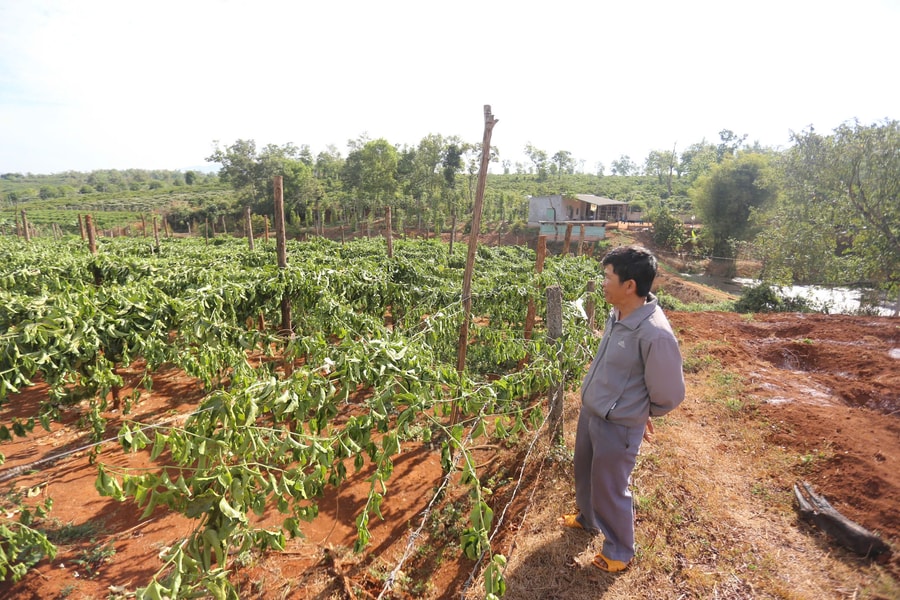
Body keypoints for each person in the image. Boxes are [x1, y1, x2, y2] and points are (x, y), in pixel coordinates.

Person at [559, 245, 685, 573]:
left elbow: (669, 392)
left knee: (611, 487)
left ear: (629, 285)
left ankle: (619, 550)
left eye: (607, 277)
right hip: (594, 413)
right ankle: (588, 519)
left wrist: (640, 412)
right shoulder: (618, 314)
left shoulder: (654, 333)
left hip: (618, 423)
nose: (602, 282)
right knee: (586, 473)